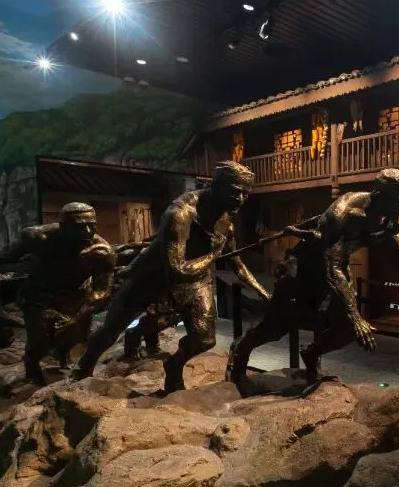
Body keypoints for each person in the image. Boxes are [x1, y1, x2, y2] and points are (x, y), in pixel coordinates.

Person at [72, 161, 271, 393]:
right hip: (152, 277)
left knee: (204, 339)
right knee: (110, 330)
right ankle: (83, 368)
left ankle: (173, 366)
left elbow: (238, 266)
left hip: (194, 279)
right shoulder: (180, 214)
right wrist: (214, 255)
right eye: (236, 192)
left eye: (246, 193)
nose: (241, 199)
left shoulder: (227, 218)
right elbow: (178, 269)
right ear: (216, 185)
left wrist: (264, 293)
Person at [227, 168, 399, 384]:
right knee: (275, 328)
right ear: (379, 196)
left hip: (338, 269)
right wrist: (356, 316)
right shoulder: (343, 213)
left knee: (347, 329)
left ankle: (311, 354)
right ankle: (240, 352)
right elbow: (331, 267)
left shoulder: (395, 214)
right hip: (305, 270)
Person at [0, 203, 116, 384]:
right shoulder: (38, 238)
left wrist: (78, 317)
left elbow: (101, 291)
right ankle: (32, 368)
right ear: (63, 226)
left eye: (92, 225)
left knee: (74, 336)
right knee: (40, 340)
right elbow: (0, 259)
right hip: (40, 295)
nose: (87, 231)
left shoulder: (101, 252)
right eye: (80, 227)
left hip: (76, 296)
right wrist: (6, 267)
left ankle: (63, 358)